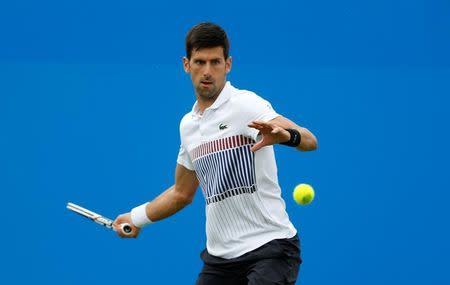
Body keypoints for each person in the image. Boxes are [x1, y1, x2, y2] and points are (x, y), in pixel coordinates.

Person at [113, 22, 318, 285]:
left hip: (270, 248)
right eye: (199, 62)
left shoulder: (246, 104)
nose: (207, 71)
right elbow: (181, 193)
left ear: (228, 64)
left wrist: (287, 136)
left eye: (215, 62)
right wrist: (137, 217)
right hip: (220, 260)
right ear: (186, 65)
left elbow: (310, 140)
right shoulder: (188, 125)